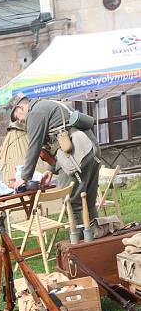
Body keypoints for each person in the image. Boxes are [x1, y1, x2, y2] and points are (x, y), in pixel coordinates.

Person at [9, 94, 102, 231]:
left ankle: (81, 242)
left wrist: (24, 178)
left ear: (20, 107)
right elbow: (55, 140)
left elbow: (33, 147)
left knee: (71, 202)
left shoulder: (34, 113)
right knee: (88, 201)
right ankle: (96, 237)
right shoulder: (49, 104)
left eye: (18, 117)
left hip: (77, 158)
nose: (20, 121)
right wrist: (50, 170)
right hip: (91, 150)